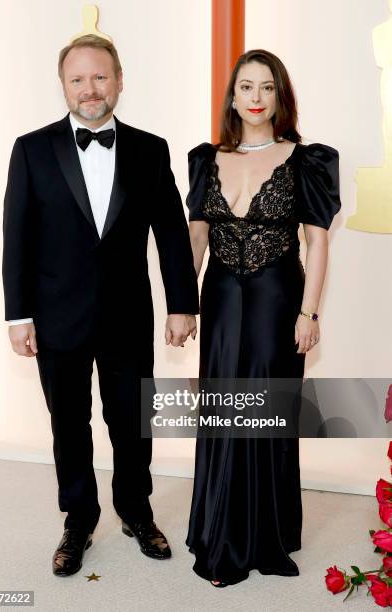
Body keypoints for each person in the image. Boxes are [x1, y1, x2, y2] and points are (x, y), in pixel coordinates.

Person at [2, 34, 198, 576]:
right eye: (78, 78)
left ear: (119, 80)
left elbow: (173, 235)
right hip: (56, 317)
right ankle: (79, 519)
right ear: (63, 86)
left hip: (128, 315)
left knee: (133, 422)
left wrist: (183, 304)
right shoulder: (31, 149)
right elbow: (15, 237)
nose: (90, 88)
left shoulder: (149, 149)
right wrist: (17, 315)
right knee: (69, 423)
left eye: (100, 76)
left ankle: (136, 509)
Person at [185, 49, 341, 587]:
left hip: (280, 300)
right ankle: (220, 538)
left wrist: (309, 311)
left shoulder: (308, 159)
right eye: (246, 87)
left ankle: (268, 540)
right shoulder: (206, 159)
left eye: (267, 87)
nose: (255, 98)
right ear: (232, 96)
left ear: (281, 96)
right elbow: (198, 237)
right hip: (222, 300)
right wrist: (183, 304)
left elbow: (316, 243)